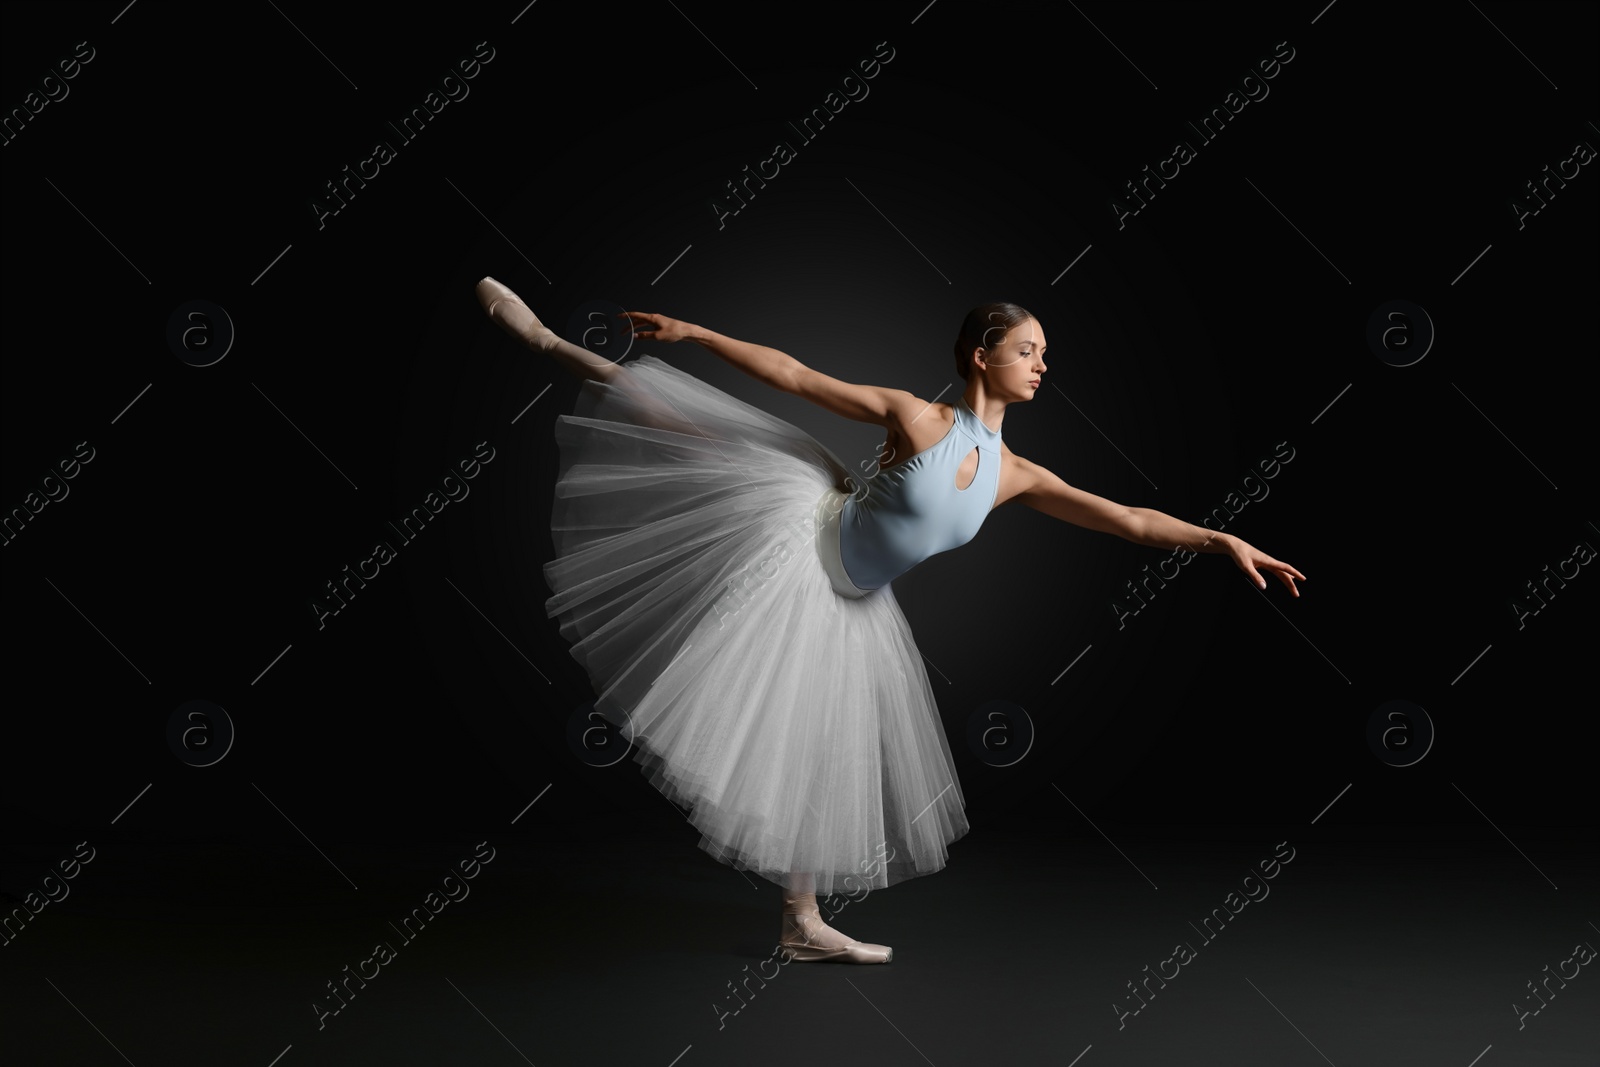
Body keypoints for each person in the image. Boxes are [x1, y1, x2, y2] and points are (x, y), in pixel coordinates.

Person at [476, 278, 1305, 964]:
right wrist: (693, 330)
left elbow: (1125, 518)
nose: (1043, 364)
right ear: (982, 354)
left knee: (817, 745)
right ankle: (549, 340)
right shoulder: (917, 418)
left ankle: (800, 922)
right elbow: (794, 375)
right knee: (682, 421)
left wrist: (1219, 537)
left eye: (1046, 354)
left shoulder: (1016, 474)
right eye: (1028, 350)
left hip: (854, 600)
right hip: (801, 540)